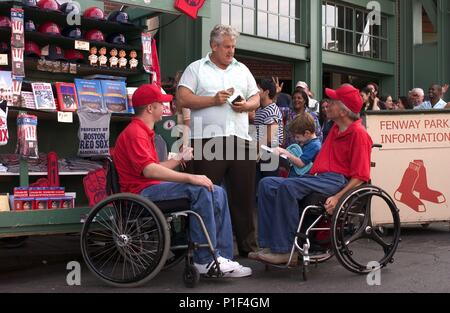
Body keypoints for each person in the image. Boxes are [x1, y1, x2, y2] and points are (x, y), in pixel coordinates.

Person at [113, 84, 252, 277]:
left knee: (216, 190)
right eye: (161, 104)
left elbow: (153, 168)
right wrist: (191, 177)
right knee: (200, 189)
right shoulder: (135, 133)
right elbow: (150, 171)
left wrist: (179, 158)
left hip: (150, 188)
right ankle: (204, 260)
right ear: (150, 108)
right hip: (141, 193)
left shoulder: (142, 131)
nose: (166, 108)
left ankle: (222, 257)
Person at [249, 84, 373, 265]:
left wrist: (338, 197)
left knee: (287, 186)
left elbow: (361, 176)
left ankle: (286, 250)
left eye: (332, 102)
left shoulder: (359, 135)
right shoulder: (336, 129)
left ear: (343, 111)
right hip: (318, 177)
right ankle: (269, 245)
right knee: (266, 184)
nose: (327, 104)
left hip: (335, 180)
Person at [177, 24, 260, 257]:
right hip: (207, 141)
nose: (231, 51)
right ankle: (202, 248)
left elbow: (256, 98)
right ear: (214, 46)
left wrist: (246, 105)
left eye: (233, 46)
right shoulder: (196, 69)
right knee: (206, 195)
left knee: (243, 198)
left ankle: (248, 248)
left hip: (241, 140)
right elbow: (182, 98)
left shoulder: (242, 69)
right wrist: (212, 100)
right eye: (226, 46)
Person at [272, 113, 321, 178]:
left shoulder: (314, 145)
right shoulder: (305, 142)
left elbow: (301, 163)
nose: (296, 139)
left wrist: (286, 153)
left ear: (307, 133)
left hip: (301, 181)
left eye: (297, 137)